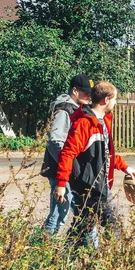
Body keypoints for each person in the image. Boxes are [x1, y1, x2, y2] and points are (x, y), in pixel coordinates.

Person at [54, 81, 135, 248]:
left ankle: (62, 263)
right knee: (114, 224)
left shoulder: (102, 121)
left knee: (81, 229)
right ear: (106, 100)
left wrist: (124, 166)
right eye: (115, 99)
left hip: (94, 185)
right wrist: (61, 183)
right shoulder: (85, 123)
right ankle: (112, 262)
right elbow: (67, 153)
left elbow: (105, 153)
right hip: (91, 187)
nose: (116, 103)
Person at [40, 74, 93, 235]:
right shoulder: (64, 110)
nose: (89, 97)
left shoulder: (77, 109)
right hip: (60, 168)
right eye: (86, 93)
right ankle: (41, 247)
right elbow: (55, 141)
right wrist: (67, 164)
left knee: (66, 211)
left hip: (67, 168)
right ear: (75, 91)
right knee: (59, 213)